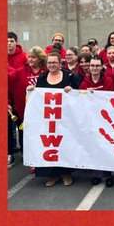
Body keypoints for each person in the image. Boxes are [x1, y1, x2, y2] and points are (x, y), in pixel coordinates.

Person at [35, 51, 81, 187]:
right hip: (49, 120)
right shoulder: (42, 78)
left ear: (60, 63)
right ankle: (53, 175)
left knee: (65, 146)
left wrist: (71, 89)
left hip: (66, 120)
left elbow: (79, 93)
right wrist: (32, 91)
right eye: (49, 62)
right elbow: (37, 98)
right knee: (50, 147)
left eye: (54, 62)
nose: (52, 65)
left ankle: (66, 174)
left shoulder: (69, 76)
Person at [76, 56, 114, 187]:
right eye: (92, 66)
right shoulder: (84, 83)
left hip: (105, 119)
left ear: (101, 67)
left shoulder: (108, 80)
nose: (94, 68)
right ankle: (96, 173)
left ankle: (108, 173)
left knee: (106, 146)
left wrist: (95, 95)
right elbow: (81, 102)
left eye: (97, 66)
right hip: (91, 120)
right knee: (94, 147)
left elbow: (108, 98)